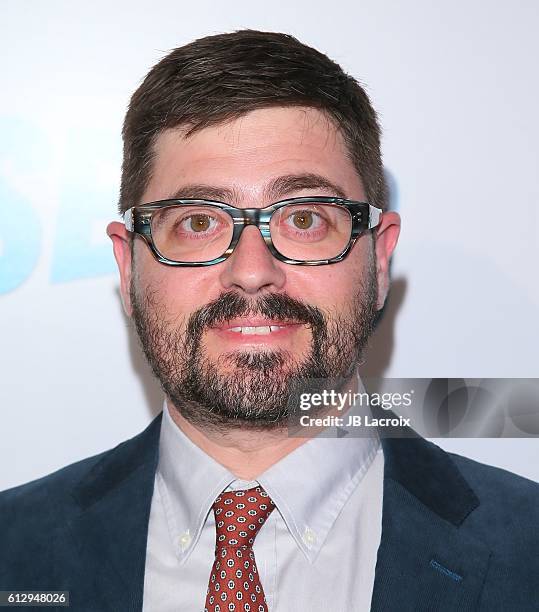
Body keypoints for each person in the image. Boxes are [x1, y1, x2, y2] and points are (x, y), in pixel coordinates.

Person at [1, 30, 538, 612]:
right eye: (198, 223)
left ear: (379, 258)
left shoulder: (525, 551)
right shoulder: (15, 549)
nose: (253, 272)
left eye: (304, 219)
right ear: (128, 265)